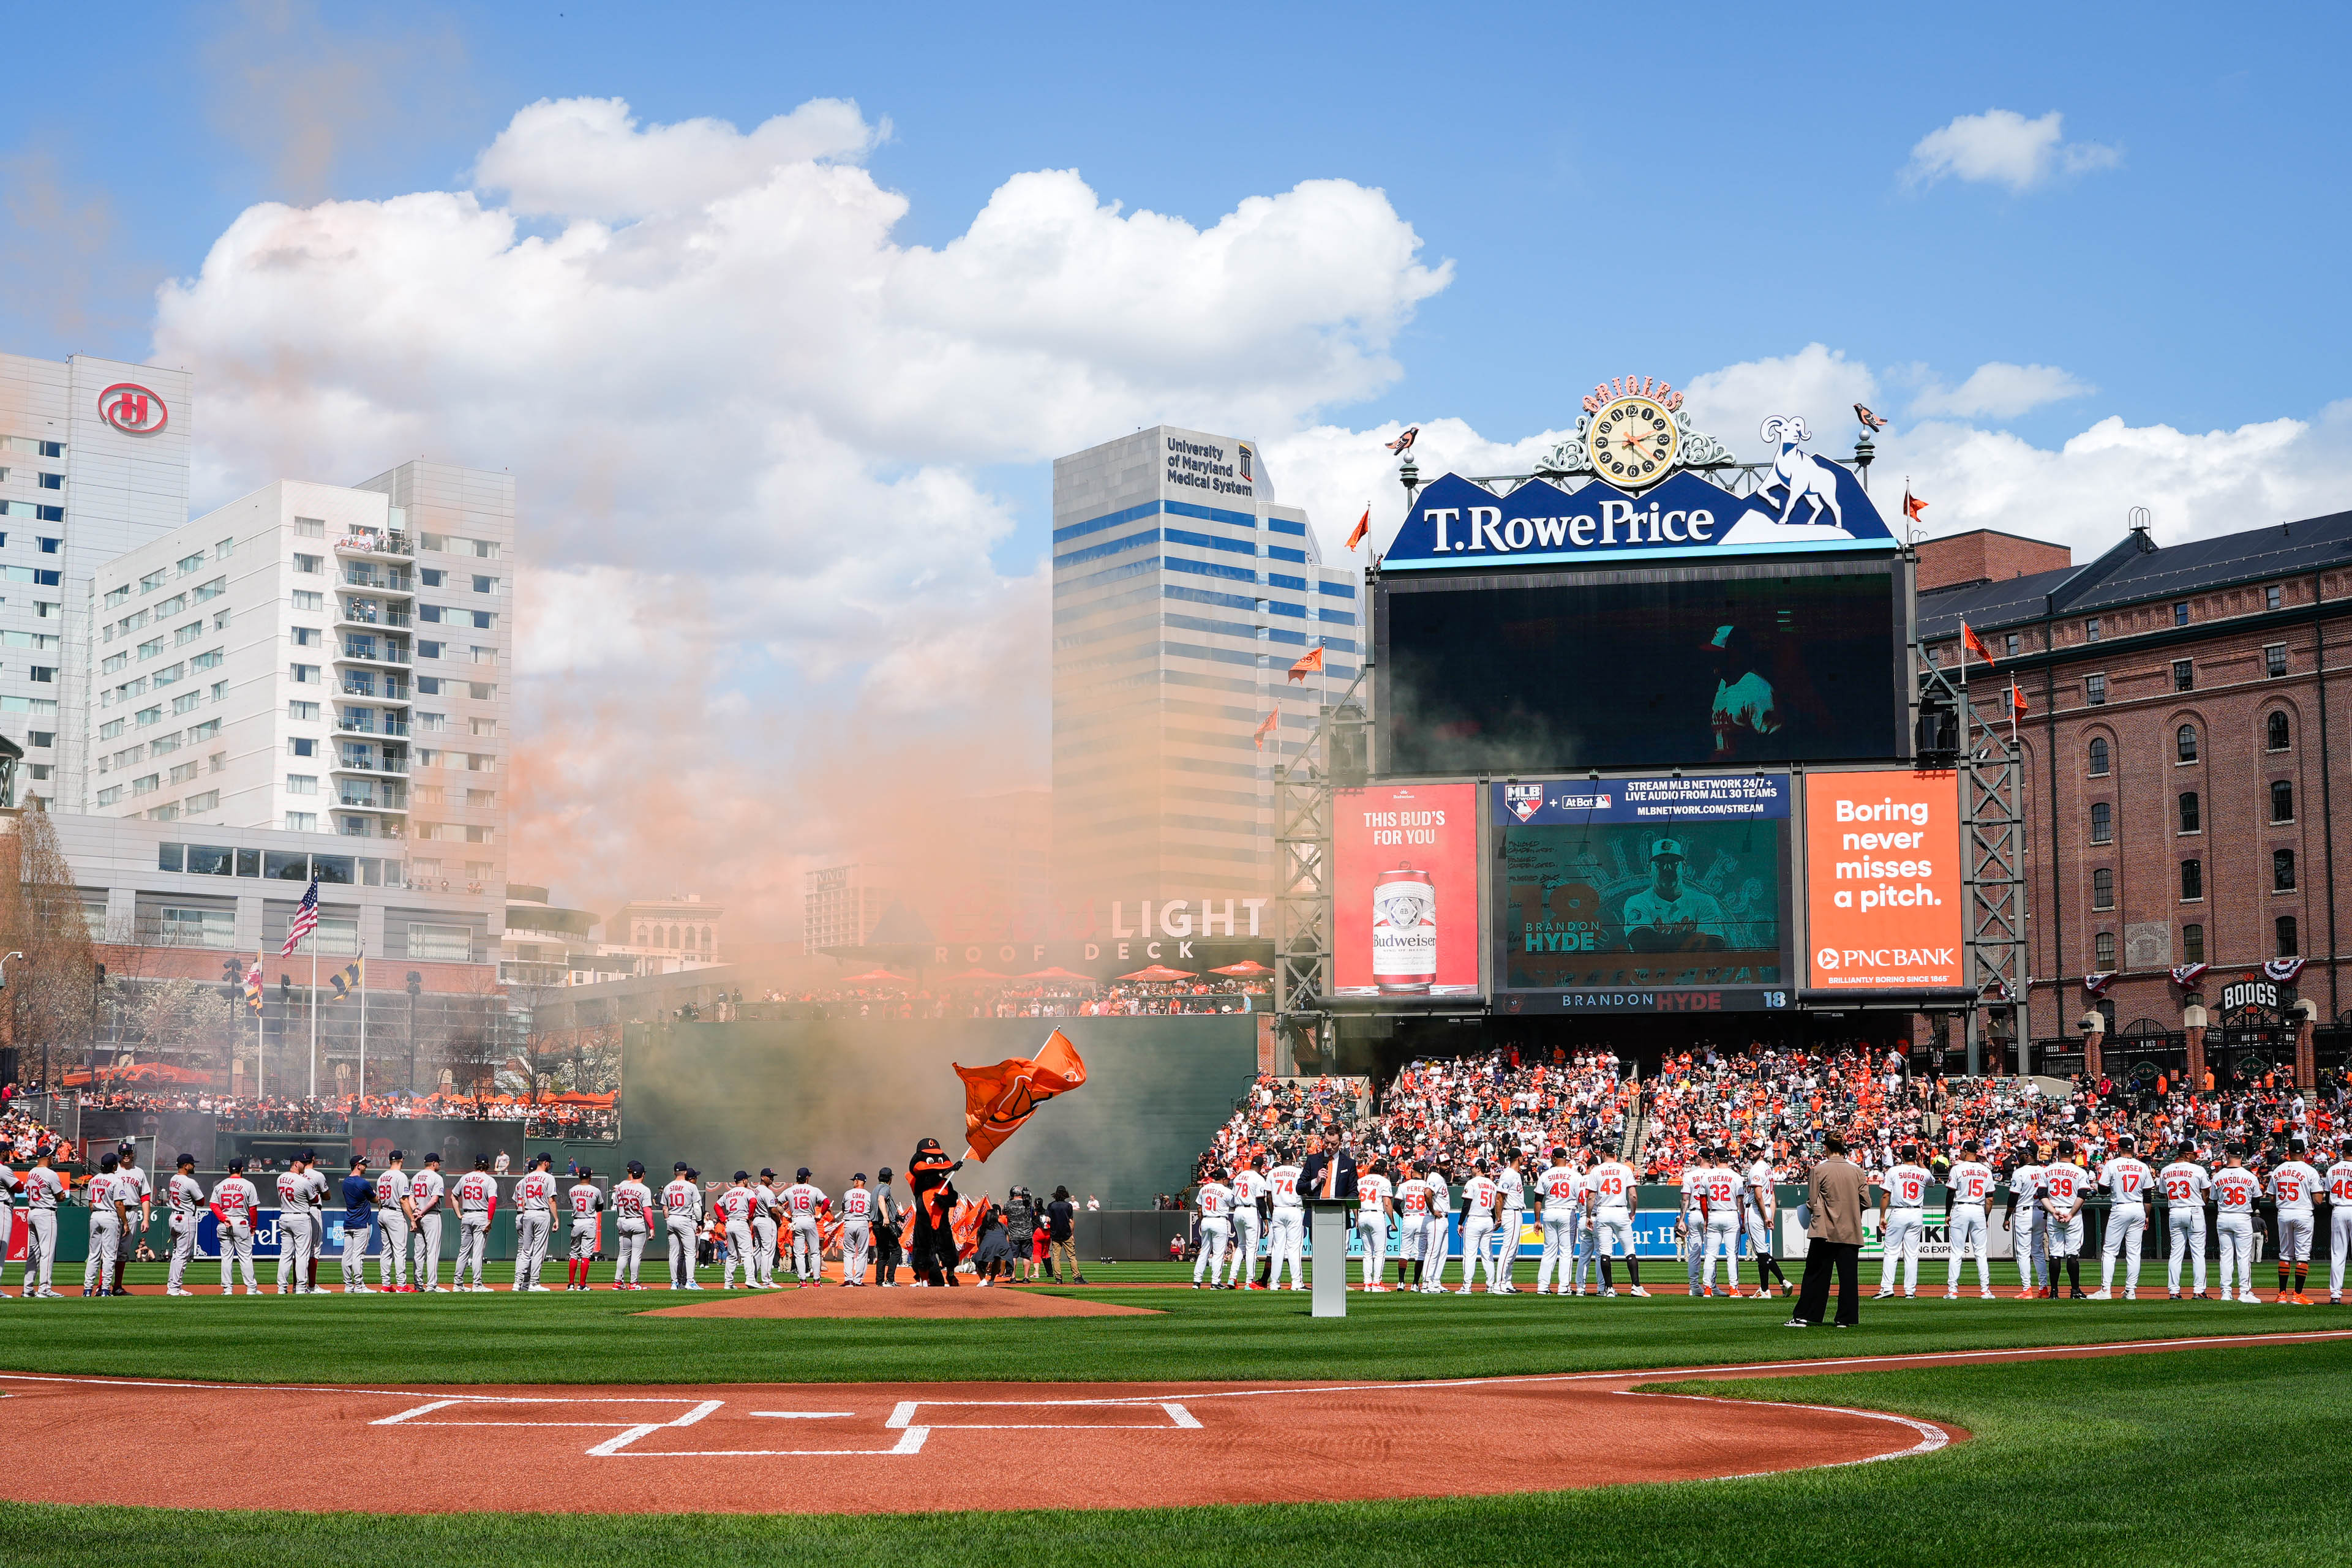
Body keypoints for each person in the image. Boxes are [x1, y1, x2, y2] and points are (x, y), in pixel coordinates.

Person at [1787, 1133, 1865, 1328]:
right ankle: (1846, 1319)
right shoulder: (1857, 1172)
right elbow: (1867, 1201)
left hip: (1824, 1231)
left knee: (1816, 1274)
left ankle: (1806, 1315)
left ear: (1826, 1148)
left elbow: (1812, 1203)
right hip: (1850, 1231)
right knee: (1848, 1277)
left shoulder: (1819, 1170)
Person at [2091, 1136, 2152, 1300]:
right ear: (2133, 1149)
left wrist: (2114, 1187)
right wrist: (2147, 1216)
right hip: (2139, 1208)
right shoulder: (2142, 1166)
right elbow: (2148, 1196)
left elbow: (2102, 1190)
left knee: (2110, 1251)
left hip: (2120, 1206)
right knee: (2134, 1253)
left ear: (2119, 1149)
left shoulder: (2113, 1164)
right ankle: (2131, 1291)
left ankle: (2105, 1290)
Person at [1874, 1144, 1932, 1300]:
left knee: (1891, 1251)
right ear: (1917, 1155)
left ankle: (1887, 1288)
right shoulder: (1924, 1172)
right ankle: (1910, 1291)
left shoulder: (1894, 1171)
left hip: (1899, 1211)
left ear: (1902, 1156)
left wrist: (1882, 1216)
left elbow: (1886, 1195)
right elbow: (1931, 1182)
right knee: (1912, 1254)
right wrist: (1920, 1162)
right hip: (1916, 1212)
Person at [1587, 1150, 1645, 1297]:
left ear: (1604, 1154)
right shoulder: (1625, 1169)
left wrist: (1588, 1216)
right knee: (1630, 1250)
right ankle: (1636, 1286)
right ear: (1615, 1155)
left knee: (1605, 1251)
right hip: (1620, 1211)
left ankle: (1609, 1288)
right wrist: (1633, 1212)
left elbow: (1591, 1197)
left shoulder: (1597, 1170)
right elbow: (1633, 1195)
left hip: (1603, 1211)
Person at [2268, 1139, 2320, 1305]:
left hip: (2284, 1213)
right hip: (2303, 1212)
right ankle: (2298, 1295)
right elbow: (2318, 1200)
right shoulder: (2310, 1171)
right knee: (2302, 1255)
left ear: (2288, 1151)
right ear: (2304, 1152)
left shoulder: (2278, 1170)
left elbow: (2271, 1197)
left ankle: (2282, 1294)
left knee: (2285, 1254)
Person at [1944, 1141, 1996, 1300]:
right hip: (1979, 1209)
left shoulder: (1957, 1169)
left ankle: (1953, 1290)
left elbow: (1951, 1194)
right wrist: (1985, 1217)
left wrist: (1947, 1213)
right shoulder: (1986, 1170)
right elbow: (1990, 1199)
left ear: (1966, 1152)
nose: (1960, 1153)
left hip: (1961, 1208)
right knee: (1981, 1253)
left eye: (1962, 1151)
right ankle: (1985, 1290)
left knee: (1957, 1252)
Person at [2039, 1145, 2091, 1300]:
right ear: (2074, 1154)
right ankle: (2075, 1291)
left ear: (2058, 1152)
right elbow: (2082, 1195)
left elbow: (2042, 1195)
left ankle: (2054, 1292)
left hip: (2054, 1212)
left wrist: (2053, 1211)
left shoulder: (2047, 1170)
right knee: (2072, 1254)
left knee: (2055, 1254)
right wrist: (2071, 1214)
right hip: (2072, 1212)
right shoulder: (2080, 1171)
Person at [907, 1139, 962, 1288]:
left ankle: (951, 1274)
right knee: (923, 1251)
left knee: (948, 1251)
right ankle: (924, 1279)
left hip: (942, 1223)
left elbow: (953, 1199)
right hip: (924, 1224)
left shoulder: (946, 1183)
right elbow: (925, 1184)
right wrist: (946, 1171)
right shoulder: (918, 1181)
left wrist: (943, 1200)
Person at [1743, 1142, 1791, 1299]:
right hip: (1766, 1209)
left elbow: (1758, 1196)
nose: (1751, 1151)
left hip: (1756, 1211)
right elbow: (1773, 1196)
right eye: (1750, 1149)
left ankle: (1774, 1285)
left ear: (1762, 1152)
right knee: (1762, 1251)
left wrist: (1765, 1217)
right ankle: (1772, 1286)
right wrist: (1771, 1215)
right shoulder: (1768, 1169)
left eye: (1755, 1149)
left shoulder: (1756, 1169)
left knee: (1761, 1253)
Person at [2212, 1149, 2260, 1303]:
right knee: (2243, 1257)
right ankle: (2244, 1291)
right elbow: (2256, 1202)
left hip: (2224, 1216)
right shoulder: (2250, 1176)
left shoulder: (2218, 1176)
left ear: (2227, 1155)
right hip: (2242, 1217)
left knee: (2225, 1256)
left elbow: (2214, 1200)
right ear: (2242, 1156)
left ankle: (2226, 1292)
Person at [211, 1157, 262, 1296]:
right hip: (240, 1222)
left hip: (224, 1223)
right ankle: (251, 1289)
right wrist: (253, 1226)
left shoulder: (219, 1185)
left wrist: (223, 1218)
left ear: (228, 1170)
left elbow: (213, 1205)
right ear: (242, 1170)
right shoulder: (249, 1185)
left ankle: (227, 1289)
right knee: (245, 1257)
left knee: (226, 1257)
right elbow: (253, 1209)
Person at [17, 1146, 62, 1298]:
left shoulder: (31, 1173)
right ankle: (45, 1289)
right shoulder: (50, 1174)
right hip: (45, 1213)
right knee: (47, 1252)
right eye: (52, 1156)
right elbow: (61, 1196)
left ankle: (28, 1288)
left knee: (33, 1253)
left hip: (32, 1212)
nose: (53, 1158)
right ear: (48, 1157)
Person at [1698, 1147, 1741, 1297]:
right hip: (1731, 1214)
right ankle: (1733, 1288)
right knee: (1732, 1254)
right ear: (1728, 1158)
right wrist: (1741, 1217)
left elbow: (1703, 1201)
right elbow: (1740, 1200)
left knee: (1710, 1255)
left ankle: (1708, 1289)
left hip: (1714, 1214)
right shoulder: (1736, 1176)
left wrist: (1706, 1219)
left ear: (1716, 1158)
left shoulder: (1707, 1175)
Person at [83, 1152, 126, 1298]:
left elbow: (90, 1203)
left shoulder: (94, 1180)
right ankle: (106, 1289)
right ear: (114, 1166)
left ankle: (87, 1289)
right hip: (110, 1216)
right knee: (109, 1255)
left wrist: (96, 1214)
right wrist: (125, 1223)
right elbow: (119, 1204)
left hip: (95, 1214)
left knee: (93, 1255)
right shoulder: (116, 1180)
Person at [111, 1141, 151, 1296]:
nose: (126, 1156)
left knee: (123, 1252)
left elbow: (145, 1196)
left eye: (128, 1153)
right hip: (115, 1211)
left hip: (132, 1211)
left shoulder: (139, 1172)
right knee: (109, 1250)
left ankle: (118, 1286)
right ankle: (102, 1286)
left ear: (133, 1154)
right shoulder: (114, 1171)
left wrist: (146, 1219)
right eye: (123, 1153)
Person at [2005, 1151, 2047, 1299]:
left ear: (2029, 1155)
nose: (2019, 1155)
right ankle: (2043, 1289)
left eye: (2023, 1153)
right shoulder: (2044, 1171)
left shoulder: (2020, 1172)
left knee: (2023, 1253)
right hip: (2040, 1212)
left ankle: (2027, 1289)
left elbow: (2013, 1196)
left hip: (2024, 1212)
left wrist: (2007, 1217)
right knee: (2038, 1252)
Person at [512, 1154, 557, 1292]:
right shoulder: (549, 1178)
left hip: (528, 1213)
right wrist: (556, 1219)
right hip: (541, 1213)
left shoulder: (526, 1179)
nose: (550, 1165)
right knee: (538, 1250)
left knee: (525, 1251)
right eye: (549, 1162)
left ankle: (517, 1283)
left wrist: (526, 1215)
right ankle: (534, 1283)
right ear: (545, 1163)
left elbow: (522, 1202)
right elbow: (551, 1200)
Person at [453, 1156, 498, 1292]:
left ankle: (457, 1284)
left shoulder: (465, 1178)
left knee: (463, 1251)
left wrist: (459, 1214)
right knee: (477, 1252)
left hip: (467, 1215)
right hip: (481, 1216)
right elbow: (492, 1202)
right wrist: (489, 1220)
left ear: (475, 1164)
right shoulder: (490, 1180)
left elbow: (453, 1196)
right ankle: (477, 1284)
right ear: (488, 1165)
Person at [273, 1155, 314, 1296]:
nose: (305, 1165)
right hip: (300, 1217)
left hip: (285, 1216)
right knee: (302, 1254)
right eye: (303, 1163)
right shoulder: (304, 1181)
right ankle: (301, 1288)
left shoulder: (280, 1178)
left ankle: (281, 1288)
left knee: (285, 1255)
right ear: (296, 1163)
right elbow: (314, 1199)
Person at [1456, 1160, 1498, 1295]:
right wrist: (1493, 1221)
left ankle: (1467, 1286)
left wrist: (1460, 1222)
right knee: (1487, 1255)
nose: (1470, 1169)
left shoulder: (1472, 1182)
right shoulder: (1492, 1185)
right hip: (1487, 1220)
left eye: (1472, 1167)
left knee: (1470, 1255)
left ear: (1478, 1168)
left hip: (1475, 1219)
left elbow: (1466, 1205)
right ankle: (1491, 1285)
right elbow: (1493, 1208)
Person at [169, 1153, 208, 1297]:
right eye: (192, 1164)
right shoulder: (189, 1182)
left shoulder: (173, 1179)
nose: (193, 1166)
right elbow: (201, 1201)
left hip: (174, 1216)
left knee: (176, 1253)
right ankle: (175, 1288)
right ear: (186, 1166)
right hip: (185, 1218)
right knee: (183, 1255)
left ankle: (172, 1285)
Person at [781, 1167, 828, 1286]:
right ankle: (817, 1281)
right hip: (810, 1219)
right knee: (815, 1252)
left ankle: (803, 1281)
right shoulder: (814, 1190)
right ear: (807, 1178)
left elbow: (776, 1203)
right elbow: (826, 1203)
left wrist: (787, 1215)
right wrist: (820, 1215)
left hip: (796, 1220)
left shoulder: (790, 1190)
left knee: (799, 1253)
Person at [1266, 1155, 1307, 1291]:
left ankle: (1274, 1283)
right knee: (1294, 1248)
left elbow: (1269, 1196)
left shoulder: (1273, 1172)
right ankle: (1296, 1282)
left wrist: (1273, 1214)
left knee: (1277, 1248)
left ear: (1281, 1158)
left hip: (1278, 1209)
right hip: (1293, 1209)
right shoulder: (1298, 1171)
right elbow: (1305, 1191)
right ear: (1293, 1159)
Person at [611, 1161, 653, 1289]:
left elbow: (618, 1205)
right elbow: (647, 1210)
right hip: (637, 1220)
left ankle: (618, 1282)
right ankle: (634, 1283)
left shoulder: (621, 1187)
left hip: (624, 1220)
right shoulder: (644, 1189)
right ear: (643, 1174)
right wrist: (652, 1227)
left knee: (623, 1254)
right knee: (635, 1255)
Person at [1227, 1157, 1268, 1290]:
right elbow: (1261, 1202)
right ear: (1262, 1167)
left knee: (1241, 1246)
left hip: (1238, 1210)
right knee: (1252, 1248)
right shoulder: (1259, 1178)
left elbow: (1233, 1198)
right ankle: (1249, 1282)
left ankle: (1232, 1278)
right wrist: (1265, 1220)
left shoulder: (1239, 1176)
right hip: (1251, 1210)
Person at [410, 1153, 448, 1292]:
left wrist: (416, 1211)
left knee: (418, 1252)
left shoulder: (415, 1177)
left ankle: (418, 1285)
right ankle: (432, 1286)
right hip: (431, 1216)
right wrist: (423, 1211)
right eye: (438, 1163)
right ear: (433, 1163)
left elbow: (411, 1197)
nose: (439, 1165)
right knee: (433, 1252)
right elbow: (434, 1200)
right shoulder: (437, 1178)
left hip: (418, 1216)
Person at [1489, 1150, 1526, 1294]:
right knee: (1508, 1249)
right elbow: (1499, 1197)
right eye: (1522, 1157)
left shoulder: (1516, 1175)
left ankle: (1507, 1282)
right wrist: (1499, 1218)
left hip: (1517, 1212)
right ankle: (1499, 1284)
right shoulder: (1508, 1174)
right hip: (1510, 1212)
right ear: (1519, 1158)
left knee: (1514, 1250)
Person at [662, 1162, 702, 1289]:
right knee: (690, 1252)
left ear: (674, 1172)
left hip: (671, 1218)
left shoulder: (668, 1187)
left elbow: (665, 1209)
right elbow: (696, 1207)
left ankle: (674, 1282)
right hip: (684, 1219)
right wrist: (700, 1222)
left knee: (674, 1253)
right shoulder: (690, 1186)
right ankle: (690, 1282)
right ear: (686, 1173)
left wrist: (668, 1220)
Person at [564, 1166, 605, 1291]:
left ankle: (571, 1285)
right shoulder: (596, 1190)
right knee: (586, 1254)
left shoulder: (572, 1190)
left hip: (577, 1221)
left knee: (574, 1253)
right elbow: (600, 1207)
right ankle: (582, 1285)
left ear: (579, 1176)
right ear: (590, 1177)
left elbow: (572, 1203)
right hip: (589, 1222)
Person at [1354, 1159, 1393, 1291]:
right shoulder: (1384, 1181)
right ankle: (1377, 1283)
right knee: (1379, 1252)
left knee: (1367, 1252)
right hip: (1376, 1214)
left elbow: (1356, 1201)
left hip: (1362, 1214)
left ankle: (1367, 1284)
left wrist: (1357, 1218)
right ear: (1383, 1170)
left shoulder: (1361, 1181)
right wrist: (1393, 1221)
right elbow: (1387, 1203)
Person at [716, 1172, 759, 1289]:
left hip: (730, 1224)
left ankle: (728, 1283)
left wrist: (723, 1218)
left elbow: (717, 1206)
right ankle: (750, 1279)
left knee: (732, 1255)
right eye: (747, 1180)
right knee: (747, 1253)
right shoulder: (748, 1191)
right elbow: (754, 1202)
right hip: (741, 1223)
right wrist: (750, 1216)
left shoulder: (728, 1193)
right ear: (744, 1180)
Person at [2323, 1138, 2352, 1306]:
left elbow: (2327, 1197)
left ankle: (2335, 1295)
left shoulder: (2333, 1170)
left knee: (2338, 1254)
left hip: (2339, 1209)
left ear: (2343, 1151)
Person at [339, 1156, 375, 1293]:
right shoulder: (363, 1183)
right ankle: (359, 1286)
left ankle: (348, 1286)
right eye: (364, 1164)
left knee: (347, 1255)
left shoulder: (345, 1182)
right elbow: (375, 1199)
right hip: (361, 1222)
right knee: (358, 1255)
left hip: (349, 1222)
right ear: (358, 1166)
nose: (366, 1167)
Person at [838, 1173, 874, 1286]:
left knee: (848, 1252)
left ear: (858, 1181)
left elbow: (843, 1208)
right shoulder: (869, 1195)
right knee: (863, 1253)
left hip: (849, 1222)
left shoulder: (848, 1193)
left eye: (854, 1180)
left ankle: (848, 1279)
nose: (853, 1182)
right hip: (863, 1223)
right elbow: (872, 1210)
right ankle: (858, 1281)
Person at [1043, 1183, 1081, 1285]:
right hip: (1066, 1234)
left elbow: (1047, 1220)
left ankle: (1058, 1279)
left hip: (1055, 1235)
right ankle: (1077, 1277)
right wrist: (1072, 1234)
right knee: (1072, 1257)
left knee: (1056, 1258)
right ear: (1065, 1194)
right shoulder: (1068, 1206)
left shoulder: (1051, 1205)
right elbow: (1071, 1221)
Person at [751, 1169, 783, 1290]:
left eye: (772, 1176)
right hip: (766, 1220)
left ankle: (752, 1278)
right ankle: (767, 1281)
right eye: (769, 1176)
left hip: (757, 1220)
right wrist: (779, 1222)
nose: (772, 1179)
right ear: (762, 1177)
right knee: (768, 1251)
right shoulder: (767, 1192)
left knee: (758, 1251)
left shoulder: (756, 1190)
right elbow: (774, 1211)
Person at [873, 1167, 903, 1287]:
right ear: (890, 1178)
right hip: (885, 1225)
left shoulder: (875, 1188)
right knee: (897, 1250)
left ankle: (879, 1281)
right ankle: (890, 1280)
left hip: (876, 1225)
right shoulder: (885, 1188)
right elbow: (881, 1200)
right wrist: (886, 1217)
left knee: (883, 1253)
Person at [1003, 1184, 1036, 1283]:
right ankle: (1026, 1278)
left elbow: (1005, 1213)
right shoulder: (1027, 1204)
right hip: (1027, 1234)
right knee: (1026, 1256)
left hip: (1014, 1235)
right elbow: (1032, 1213)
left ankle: (1013, 1277)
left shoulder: (1008, 1205)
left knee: (1013, 1256)